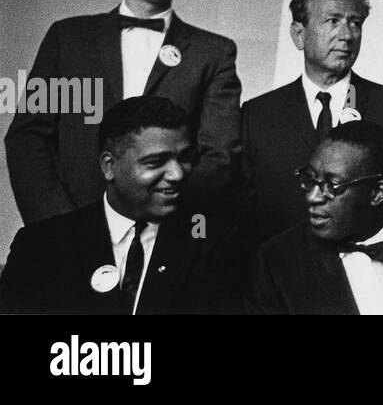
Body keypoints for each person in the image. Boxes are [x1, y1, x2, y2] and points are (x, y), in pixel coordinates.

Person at [5, 0, 241, 224]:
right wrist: (59, 228)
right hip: (67, 235)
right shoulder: (69, 39)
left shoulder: (212, 53)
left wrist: (159, 220)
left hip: (162, 242)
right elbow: (29, 138)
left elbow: (218, 158)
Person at [0, 97, 238, 314]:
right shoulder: (40, 245)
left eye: (185, 158)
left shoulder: (213, 245)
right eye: (156, 162)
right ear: (109, 166)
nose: (177, 174)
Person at [240, 0, 383, 243]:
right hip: (281, 276)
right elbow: (241, 218)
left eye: (355, 23)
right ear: (299, 34)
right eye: (333, 21)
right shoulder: (258, 115)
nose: (347, 35)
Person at [246, 121, 383, 315]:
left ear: (377, 193)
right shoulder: (276, 263)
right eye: (310, 179)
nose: (313, 197)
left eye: (332, 186)